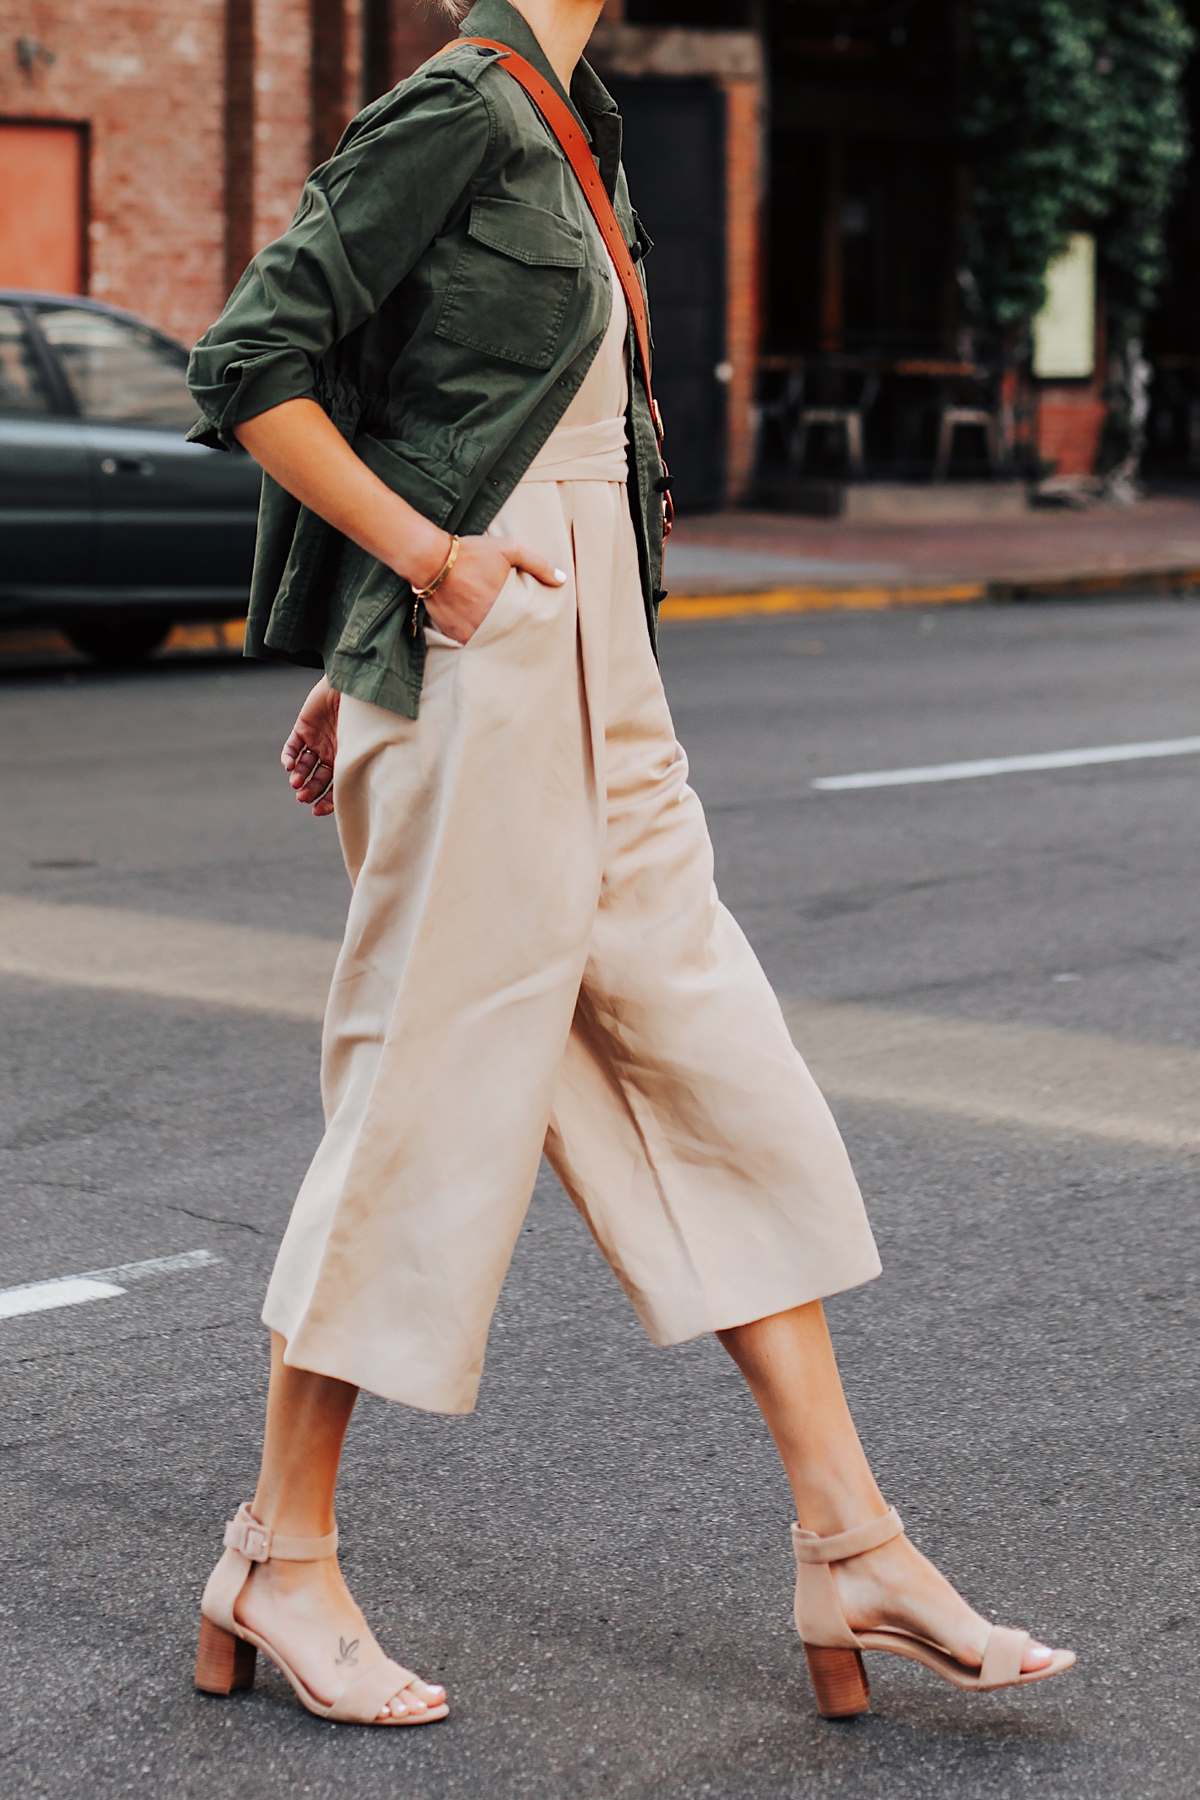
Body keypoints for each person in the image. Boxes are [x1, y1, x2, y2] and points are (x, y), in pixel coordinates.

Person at [185, 0, 1075, 1729]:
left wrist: (365, 630)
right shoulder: (455, 110)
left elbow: (469, 406)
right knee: (424, 1112)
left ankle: (854, 1545)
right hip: (494, 662)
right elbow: (254, 364)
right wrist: (421, 578)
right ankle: (279, 1560)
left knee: (719, 1077)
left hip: (603, 680)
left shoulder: (576, 121)